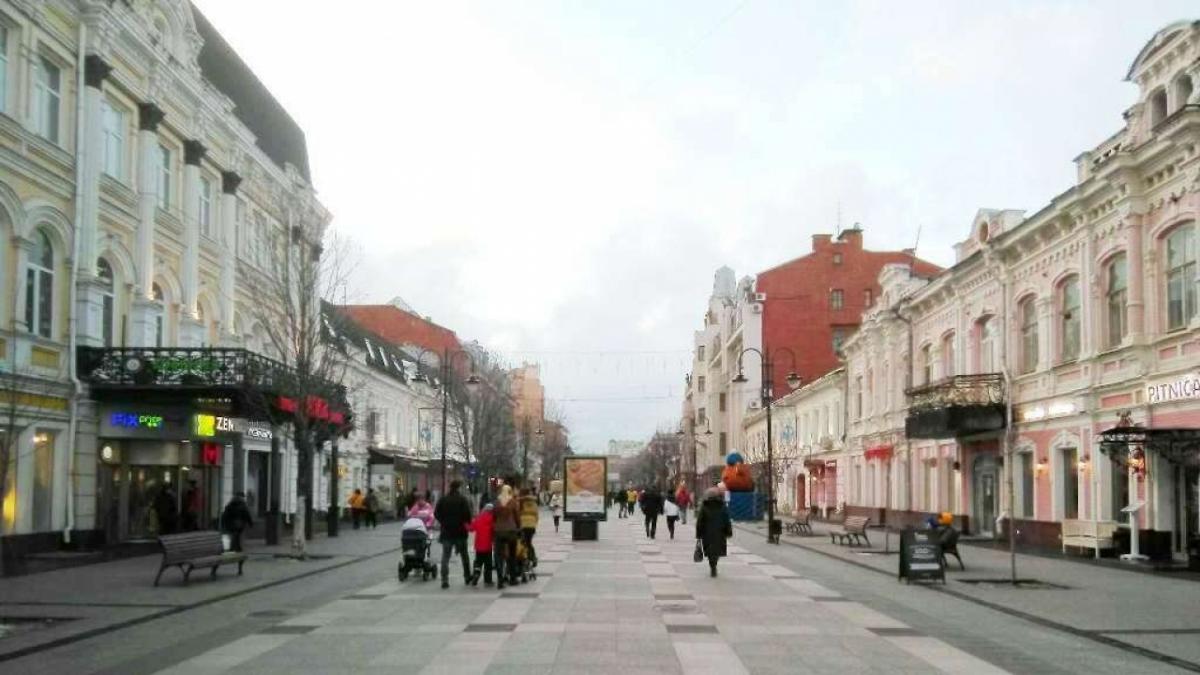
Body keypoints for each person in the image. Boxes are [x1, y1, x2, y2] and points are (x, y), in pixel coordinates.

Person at [434, 480, 473, 589]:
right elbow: (467, 515)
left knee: (445, 557)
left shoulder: (443, 499)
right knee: (464, 556)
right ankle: (467, 576)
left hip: (447, 532)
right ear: (459, 488)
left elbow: (436, 513)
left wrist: (443, 521)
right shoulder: (462, 500)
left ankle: (444, 580)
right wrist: (466, 523)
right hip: (460, 532)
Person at [695, 487, 732, 577]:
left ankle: (712, 565)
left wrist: (698, 533)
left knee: (709, 550)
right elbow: (727, 519)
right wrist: (728, 531)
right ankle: (714, 565)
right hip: (720, 532)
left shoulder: (704, 506)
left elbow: (700, 520)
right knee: (717, 550)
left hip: (707, 533)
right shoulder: (722, 506)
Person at [492, 484, 520, 589]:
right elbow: (517, 517)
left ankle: (500, 580)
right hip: (511, 532)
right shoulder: (513, 502)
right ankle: (512, 578)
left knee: (499, 556)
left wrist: (496, 526)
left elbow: (493, 517)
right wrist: (519, 528)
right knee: (512, 556)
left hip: (499, 532)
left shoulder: (496, 502)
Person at [467, 502, 495, 586]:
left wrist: (464, 524)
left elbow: (471, 528)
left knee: (478, 562)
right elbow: (494, 531)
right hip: (488, 546)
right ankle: (488, 580)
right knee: (488, 564)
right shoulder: (492, 518)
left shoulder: (479, 517)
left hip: (478, 545)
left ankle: (476, 574)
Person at [518, 486, 540, 566]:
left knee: (523, 542)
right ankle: (532, 558)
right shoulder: (533, 502)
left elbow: (517, 514)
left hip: (522, 525)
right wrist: (534, 524)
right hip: (531, 526)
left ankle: (526, 558)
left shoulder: (520, 502)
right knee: (528, 542)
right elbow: (537, 515)